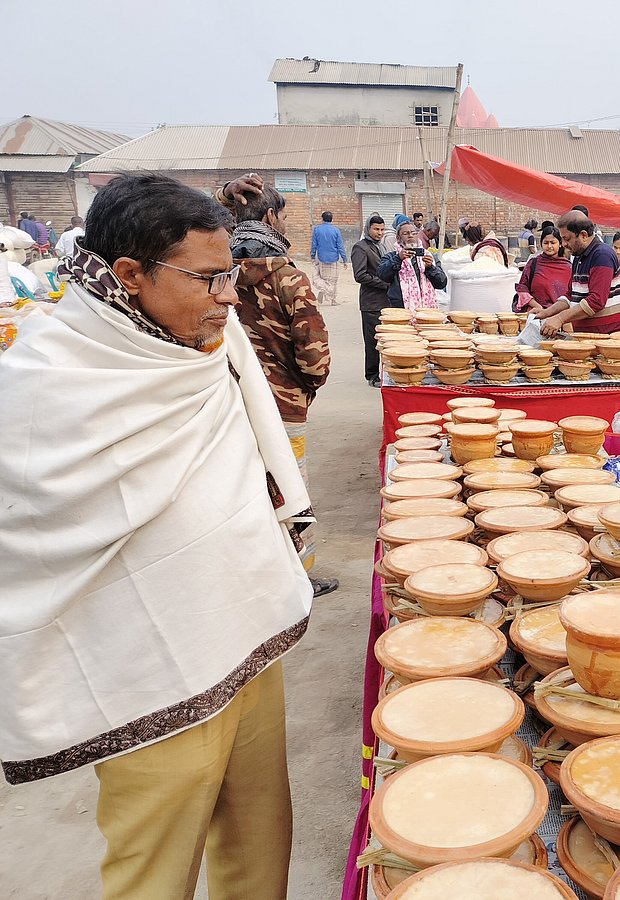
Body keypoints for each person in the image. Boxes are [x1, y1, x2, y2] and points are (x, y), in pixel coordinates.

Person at [0, 173, 312, 899]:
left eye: (229, 274)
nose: (229, 297)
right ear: (129, 275)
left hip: (246, 629)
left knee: (261, 832)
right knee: (155, 867)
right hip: (145, 672)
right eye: (208, 279)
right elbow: (29, 546)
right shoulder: (45, 383)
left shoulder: (205, 343)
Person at [223, 182, 337, 599]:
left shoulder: (217, 274)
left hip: (230, 401)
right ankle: (298, 580)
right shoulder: (287, 277)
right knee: (288, 488)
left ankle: (257, 572)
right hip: (283, 404)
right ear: (271, 219)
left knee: (248, 486)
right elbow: (313, 352)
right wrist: (305, 388)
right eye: (284, 215)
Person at [537, 210, 620, 336]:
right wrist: (546, 312)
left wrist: (560, 318)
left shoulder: (602, 255)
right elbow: (571, 295)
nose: (564, 244)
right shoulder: (579, 256)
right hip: (588, 336)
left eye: (567, 239)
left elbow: (596, 301)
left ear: (583, 235)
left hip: (608, 337)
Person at [353, 214, 391, 387]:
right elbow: (360, 275)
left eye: (382, 229)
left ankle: (385, 372)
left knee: (386, 340)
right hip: (371, 303)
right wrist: (383, 284)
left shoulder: (380, 247)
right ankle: (372, 375)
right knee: (372, 341)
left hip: (385, 301)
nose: (379, 232)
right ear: (368, 228)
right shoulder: (360, 248)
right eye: (376, 229)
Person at [378, 219, 448, 311]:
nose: (410, 236)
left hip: (425, 311)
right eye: (406, 233)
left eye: (413, 233)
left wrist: (430, 268)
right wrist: (398, 258)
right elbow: (382, 275)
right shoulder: (391, 256)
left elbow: (442, 283)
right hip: (401, 310)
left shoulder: (429, 256)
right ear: (398, 238)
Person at [514, 225, 572, 314]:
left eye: (553, 243)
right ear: (541, 244)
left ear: (560, 244)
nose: (549, 246)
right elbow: (522, 289)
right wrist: (537, 306)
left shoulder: (569, 268)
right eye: (546, 243)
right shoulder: (533, 264)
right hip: (536, 314)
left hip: (561, 317)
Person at [310, 211, 347, 306]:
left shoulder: (317, 230)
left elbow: (314, 244)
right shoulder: (336, 230)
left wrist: (313, 256)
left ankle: (323, 290)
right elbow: (340, 246)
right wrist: (344, 259)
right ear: (332, 219)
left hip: (321, 258)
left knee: (322, 277)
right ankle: (333, 300)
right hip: (334, 258)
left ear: (322, 219)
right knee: (333, 281)